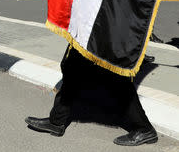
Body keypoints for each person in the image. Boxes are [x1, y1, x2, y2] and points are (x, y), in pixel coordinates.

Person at [25, 45, 158, 146]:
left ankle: (144, 129)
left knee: (113, 73)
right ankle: (57, 121)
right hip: (91, 23)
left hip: (106, 23)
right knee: (72, 64)